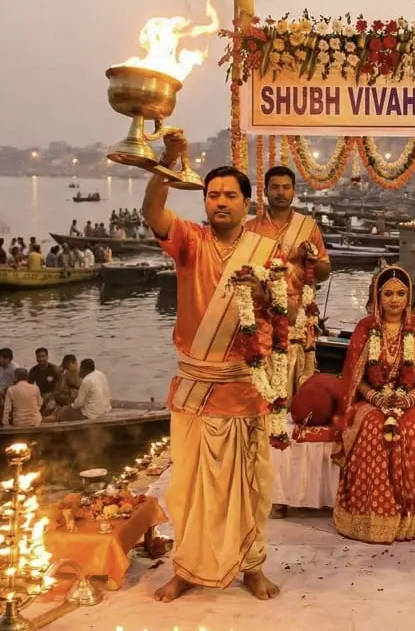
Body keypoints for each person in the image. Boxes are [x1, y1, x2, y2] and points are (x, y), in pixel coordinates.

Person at [144, 161, 284, 603]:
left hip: (243, 386)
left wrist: (265, 296)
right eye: (212, 195)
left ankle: (252, 565)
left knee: (249, 486)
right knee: (188, 486)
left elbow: (284, 317)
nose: (219, 202)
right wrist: (165, 166)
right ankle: (187, 568)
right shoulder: (189, 240)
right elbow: (152, 210)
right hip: (195, 387)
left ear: (246, 203)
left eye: (229, 196)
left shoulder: (266, 252)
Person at [332, 266, 415, 544]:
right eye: (388, 294)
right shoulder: (366, 328)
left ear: (409, 295)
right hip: (372, 398)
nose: (394, 300)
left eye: (401, 294)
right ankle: (369, 517)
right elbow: (357, 377)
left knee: (412, 429)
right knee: (372, 429)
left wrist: (410, 398)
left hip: (412, 399)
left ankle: (409, 518)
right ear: (377, 297)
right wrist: (376, 398)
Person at [245, 166, 332, 398]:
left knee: (298, 384)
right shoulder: (250, 228)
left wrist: (311, 259)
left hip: (298, 319)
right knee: (261, 386)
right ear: (264, 191)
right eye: (275, 187)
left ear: (294, 191)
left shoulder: (308, 227)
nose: (280, 192)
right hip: (261, 316)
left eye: (286, 187)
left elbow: (324, 271)